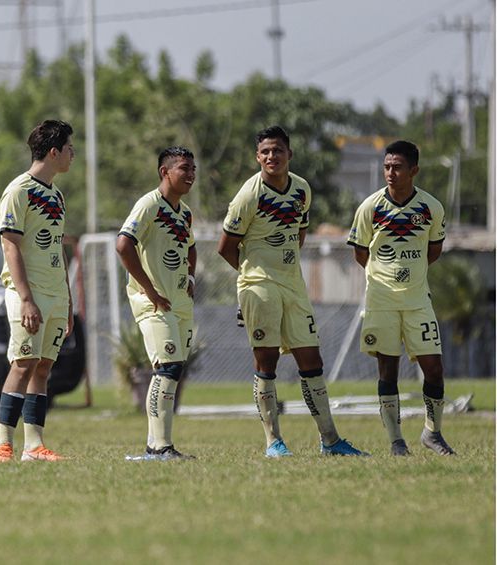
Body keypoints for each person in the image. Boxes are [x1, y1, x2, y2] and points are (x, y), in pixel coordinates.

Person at [216, 125, 366, 457]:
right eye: (265, 151)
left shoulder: (301, 190)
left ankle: (330, 440)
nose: (272, 156)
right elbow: (226, 247)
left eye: (278, 150)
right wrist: (251, 281)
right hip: (260, 286)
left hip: (294, 286)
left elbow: (299, 232)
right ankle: (273, 441)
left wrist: (285, 266)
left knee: (311, 359)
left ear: (289, 154)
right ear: (258, 157)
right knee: (266, 360)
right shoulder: (249, 195)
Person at [347, 140, 454, 456]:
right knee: (387, 370)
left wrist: (410, 273)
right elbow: (359, 252)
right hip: (381, 302)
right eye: (386, 167)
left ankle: (432, 433)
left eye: (397, 167)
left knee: (433, 368)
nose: (390, 173)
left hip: (418, 300)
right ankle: (396, 441)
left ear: (414, 170)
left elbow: (433, 250)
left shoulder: (430, 208)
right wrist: (386, 277)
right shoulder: (370, 207)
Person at [0, 119, 74, 463]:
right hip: (28, 294)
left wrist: (68, 301)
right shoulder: (18, 191)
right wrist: (26, 298)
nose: (73, 155)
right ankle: (2, 444)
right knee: (23, 363)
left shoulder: (56, 194)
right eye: (70, 148)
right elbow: (10, 246)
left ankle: (33, 446)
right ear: (54, 152)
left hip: (56, 295)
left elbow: (56, 249)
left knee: (43, 368)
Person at [116, 147, 198, 461]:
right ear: (164, 172)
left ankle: (156, 445)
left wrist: (190, 279)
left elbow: (191, 248)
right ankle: (159, 448)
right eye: (183, 168)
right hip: (153, 303)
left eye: (193, 169)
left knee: (172, 369)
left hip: (178, 302)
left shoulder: (185, 212)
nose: (190, 174)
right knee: (168, 367)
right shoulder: (149, 204)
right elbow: (123, 245)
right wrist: (149, 290)